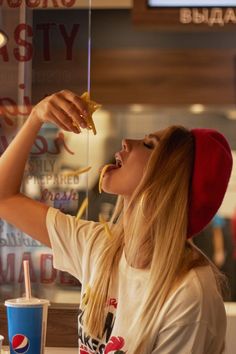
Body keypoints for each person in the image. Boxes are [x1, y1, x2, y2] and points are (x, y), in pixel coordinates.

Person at [0, 90, 233, 354]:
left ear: (167, 182)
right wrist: (36, 117)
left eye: (148, 145)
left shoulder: (189, 294)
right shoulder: (99, 246)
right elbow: (4, 197)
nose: (125, 142)